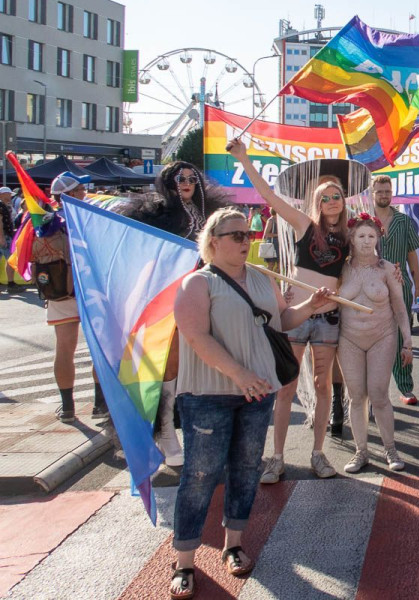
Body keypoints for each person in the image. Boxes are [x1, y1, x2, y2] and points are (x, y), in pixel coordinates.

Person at [169, 209, 332, 600]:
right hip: (208, 395)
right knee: (200, 475)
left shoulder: (262, 277)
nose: (246, 241)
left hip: (258, 393)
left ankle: (234, 543)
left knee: (245, 469)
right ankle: (184, 561)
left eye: (247, 234)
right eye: (236, 235)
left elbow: (282, 320)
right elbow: (196, 338)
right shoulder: (197, 284)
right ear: (213, 241)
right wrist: (239, 374)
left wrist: (310, 306)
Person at [227, 140, 345, 481]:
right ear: (316, 202)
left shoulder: (351, 236)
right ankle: (276, 457)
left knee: (323, 384)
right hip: (297, 313)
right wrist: (244, 159)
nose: (331, 202)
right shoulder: (304, 225)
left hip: (329, 319)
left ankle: (318, 453)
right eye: (325, 196)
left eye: (336, 196)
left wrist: (391, 272)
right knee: (286, 387)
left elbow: (364, 267)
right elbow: (269, 197)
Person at [125, 161, 233, 468]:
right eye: (179, 178)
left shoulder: (209, 214)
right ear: (167, 182)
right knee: (169, 368)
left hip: (207, 296)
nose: (185, 183)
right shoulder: (154, 216)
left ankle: (205, 438)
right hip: (169, 300)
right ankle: (167, 435)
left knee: (206, 366)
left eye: (190, 178)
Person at [337, 214, 411, 473]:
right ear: (352, 240)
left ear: (378, 239)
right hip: (349, 339)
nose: (367, 241)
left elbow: (400, 308)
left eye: (371, 236)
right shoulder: (341, 269)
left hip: (382, 336)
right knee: (356, 396)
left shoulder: (389, 269)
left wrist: (408, 342)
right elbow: (323, 296)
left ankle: (390, 448)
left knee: (379, 394)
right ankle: (361, 452)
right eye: (361, 236)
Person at [33, 173, 107, 423]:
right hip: (91, 291)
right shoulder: (86, 219)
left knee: (64, 349)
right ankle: (100, 405)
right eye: (81, 188)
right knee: (99, 349)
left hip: (58, 291)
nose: (85, 192)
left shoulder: (42, 221)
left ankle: (67, 407)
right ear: (72, 194)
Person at [371, 175, 419, 403]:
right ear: (372, 193)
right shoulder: (364, 221)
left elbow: (412, 254)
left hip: (400, 283)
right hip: (371, 286)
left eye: (387, 191)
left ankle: (405, 386)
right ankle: (373, 390)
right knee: (371, 337)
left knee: (403, 335)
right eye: (380, 191)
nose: (384, 195)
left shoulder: (403, 221)